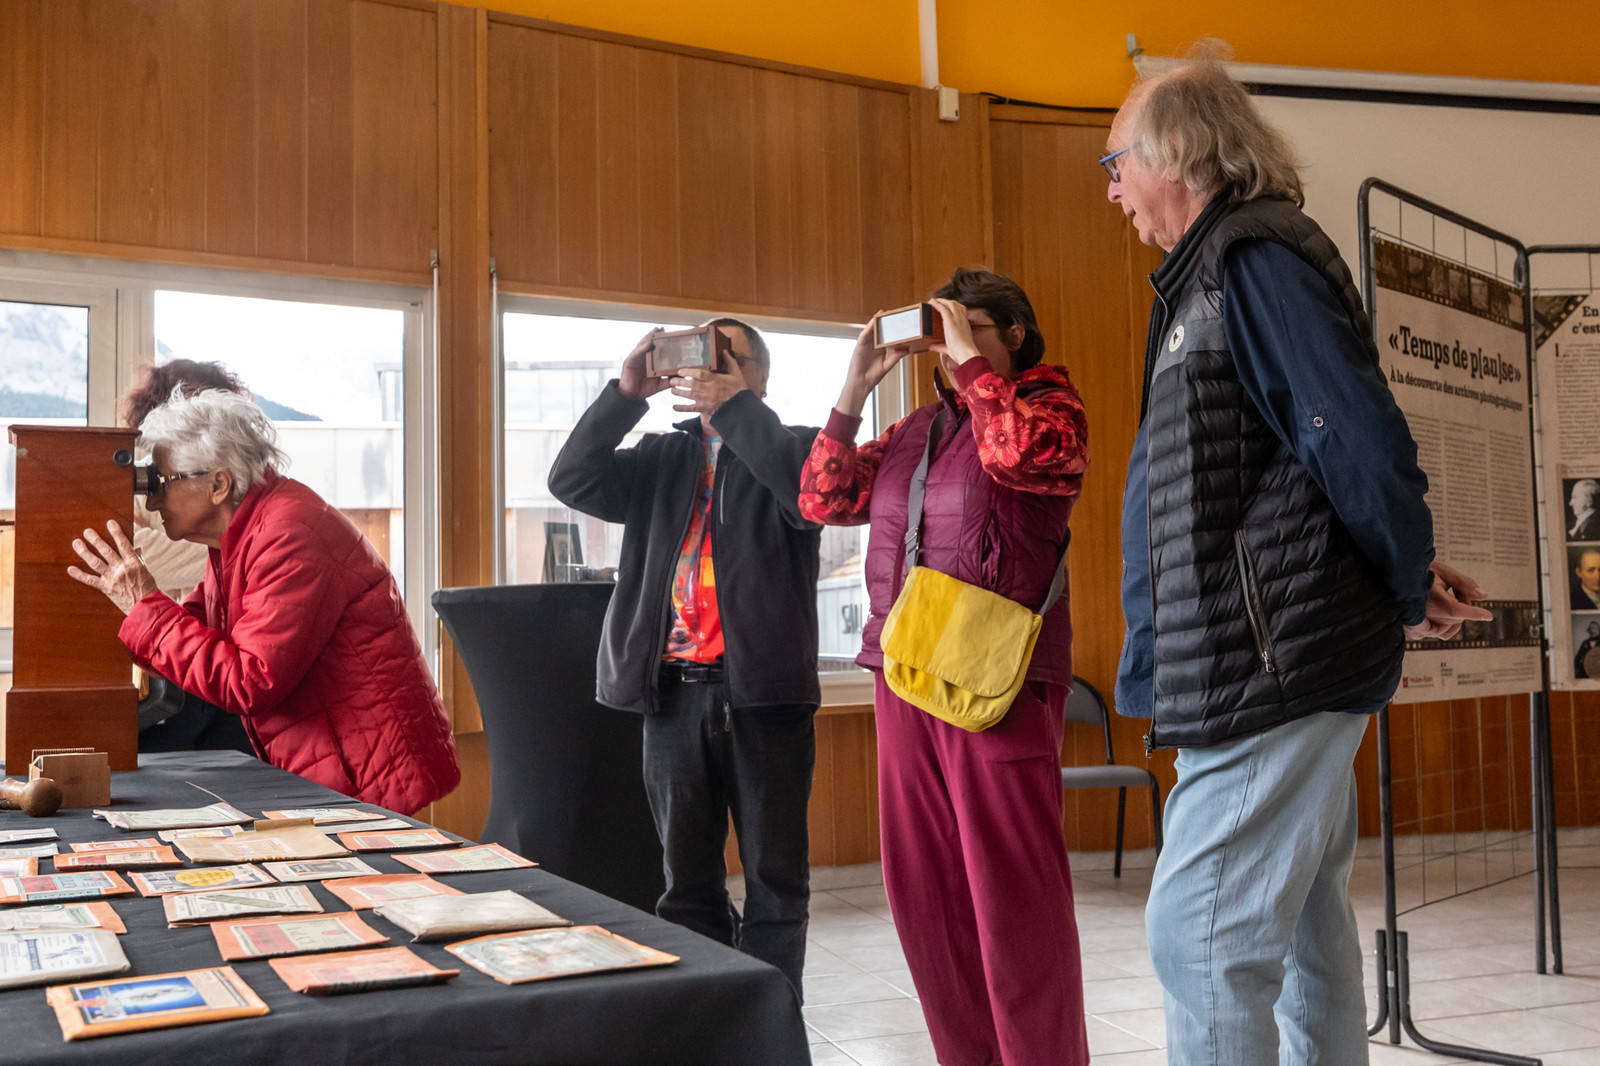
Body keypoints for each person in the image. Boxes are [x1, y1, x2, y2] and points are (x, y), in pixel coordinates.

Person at [1103, 57, 1491, 1066]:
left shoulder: (1251, 258)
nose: (1109, 190)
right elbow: (1288, 465)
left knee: (1200, 934)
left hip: (1269, 663)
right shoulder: (1211, 273)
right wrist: (1403, 574)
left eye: (1113, 163)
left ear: (1174, 153)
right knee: (1306, 929)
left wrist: (1404, 581)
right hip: (1260, 653)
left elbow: (1352, 436)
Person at [800, 268, 1090, 1066]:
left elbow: (1021, 454)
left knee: (1012, 897)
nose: (939, 346)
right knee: (925, 893)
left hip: (1001, 679)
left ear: (1015, 335)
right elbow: (823, 501)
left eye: (960, 327)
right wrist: (854, 389)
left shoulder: (1049, 411)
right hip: (906, 669)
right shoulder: (916, 428)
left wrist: (971, 362)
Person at [547, 318, 821, 997]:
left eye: (728, 355)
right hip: (673, 694)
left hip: (767, 698)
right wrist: (626, 393)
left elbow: (808, 502)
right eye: (703, 351)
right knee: (686, 883)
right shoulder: (657, 458)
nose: (710, 364)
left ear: (760, 374)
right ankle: (711, 1023)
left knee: (775, 882)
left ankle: (770, 1026)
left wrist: (736, 412)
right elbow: (571, 480)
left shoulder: (802, 449)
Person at [66, 388, 460, 815]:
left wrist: (144, 605)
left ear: (218, 484)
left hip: (367, 773)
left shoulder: (289, 535)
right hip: (332, 763)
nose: (152, 499)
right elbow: (195, 633)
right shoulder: (241, 536)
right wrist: (125, 610)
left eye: (161, 482)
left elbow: (248, 682)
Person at [120, 359, 254, 753]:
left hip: (221, 662)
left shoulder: (236, 489)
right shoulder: (153, 469)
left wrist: (214, 540)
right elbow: (132, 558)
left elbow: (160, 558)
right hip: (169, 674)